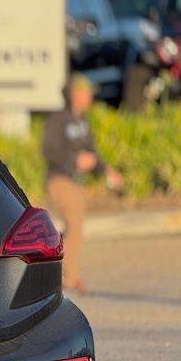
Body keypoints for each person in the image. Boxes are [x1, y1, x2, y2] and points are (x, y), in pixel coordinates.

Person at [42, 74, 123, 293]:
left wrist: (106, 170)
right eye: (86, 92)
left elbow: (92, 152)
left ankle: (57, 272)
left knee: (73, 228)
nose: (89, 96)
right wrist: (73, 161)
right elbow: (50, 150)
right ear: (74, 94)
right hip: (60, 179)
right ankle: (69, 277)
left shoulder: (82, 120)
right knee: (75, 227)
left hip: (77, 182)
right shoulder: (58, 119)